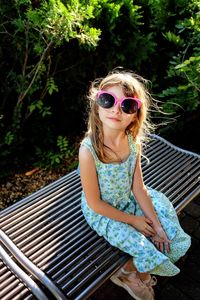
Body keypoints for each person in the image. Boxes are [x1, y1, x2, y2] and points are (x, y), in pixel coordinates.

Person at [78, 69, 191, 300]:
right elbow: (94, 203)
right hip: (103, 212)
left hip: (128, 200)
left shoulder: (132, 142)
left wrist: (156, 225)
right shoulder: (88, 151)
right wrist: (134, 221)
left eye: (127, 105)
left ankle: (137, 270)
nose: (116, 109)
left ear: (135, 114)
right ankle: (127, 273)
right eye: (108, 100)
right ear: (97, 105)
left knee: (167, 235)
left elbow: (138, 188)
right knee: (144, 246)